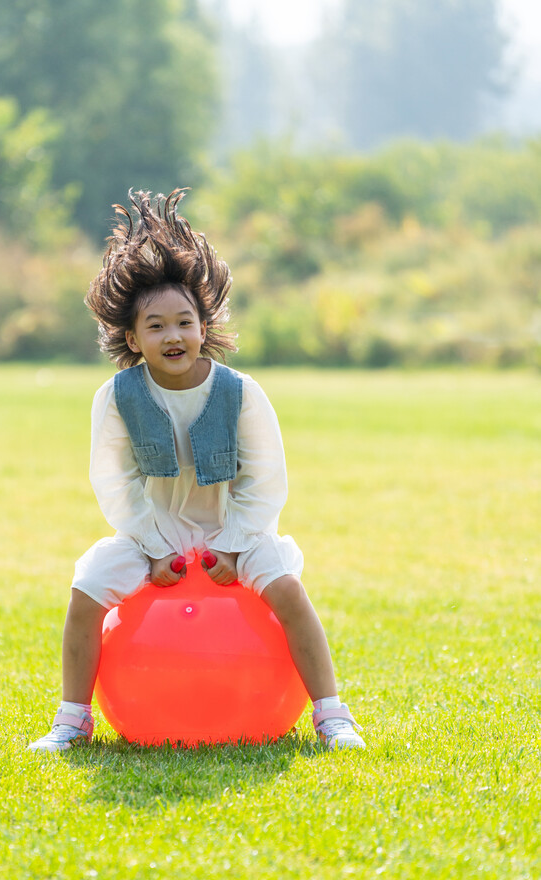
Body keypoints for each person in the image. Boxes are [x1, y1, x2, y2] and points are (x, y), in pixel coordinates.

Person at [29, 189, 364, 753]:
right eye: (156, 327)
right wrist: (154, 547)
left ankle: (331, 714)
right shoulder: (116, 397)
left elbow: (265, 480)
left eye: (184, 322)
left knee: (288, 592)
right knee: (85, 593)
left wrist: (234, 545)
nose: (173, 336)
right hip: (149, 533)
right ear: (133, 339)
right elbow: (115, 483)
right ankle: (73, 719)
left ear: (203, 327)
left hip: (233, 528)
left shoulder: (240, 392)